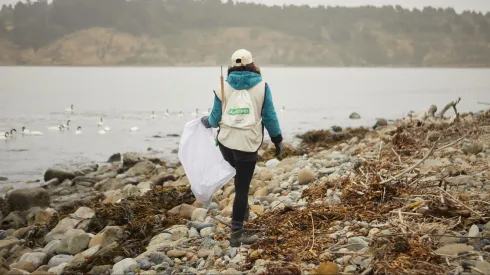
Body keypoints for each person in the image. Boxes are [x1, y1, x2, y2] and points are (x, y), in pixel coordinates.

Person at [201, 49, 283, 247]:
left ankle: (243, 215)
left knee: (238, 181)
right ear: (252, 64)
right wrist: (277, 139)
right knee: (243, 188)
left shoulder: (223, 86)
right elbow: (269, 116)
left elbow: (215, 118)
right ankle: (237, 234)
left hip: (226, 142)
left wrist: (205, 122)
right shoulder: (263, 86)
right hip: (248, 143)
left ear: (232, 66)